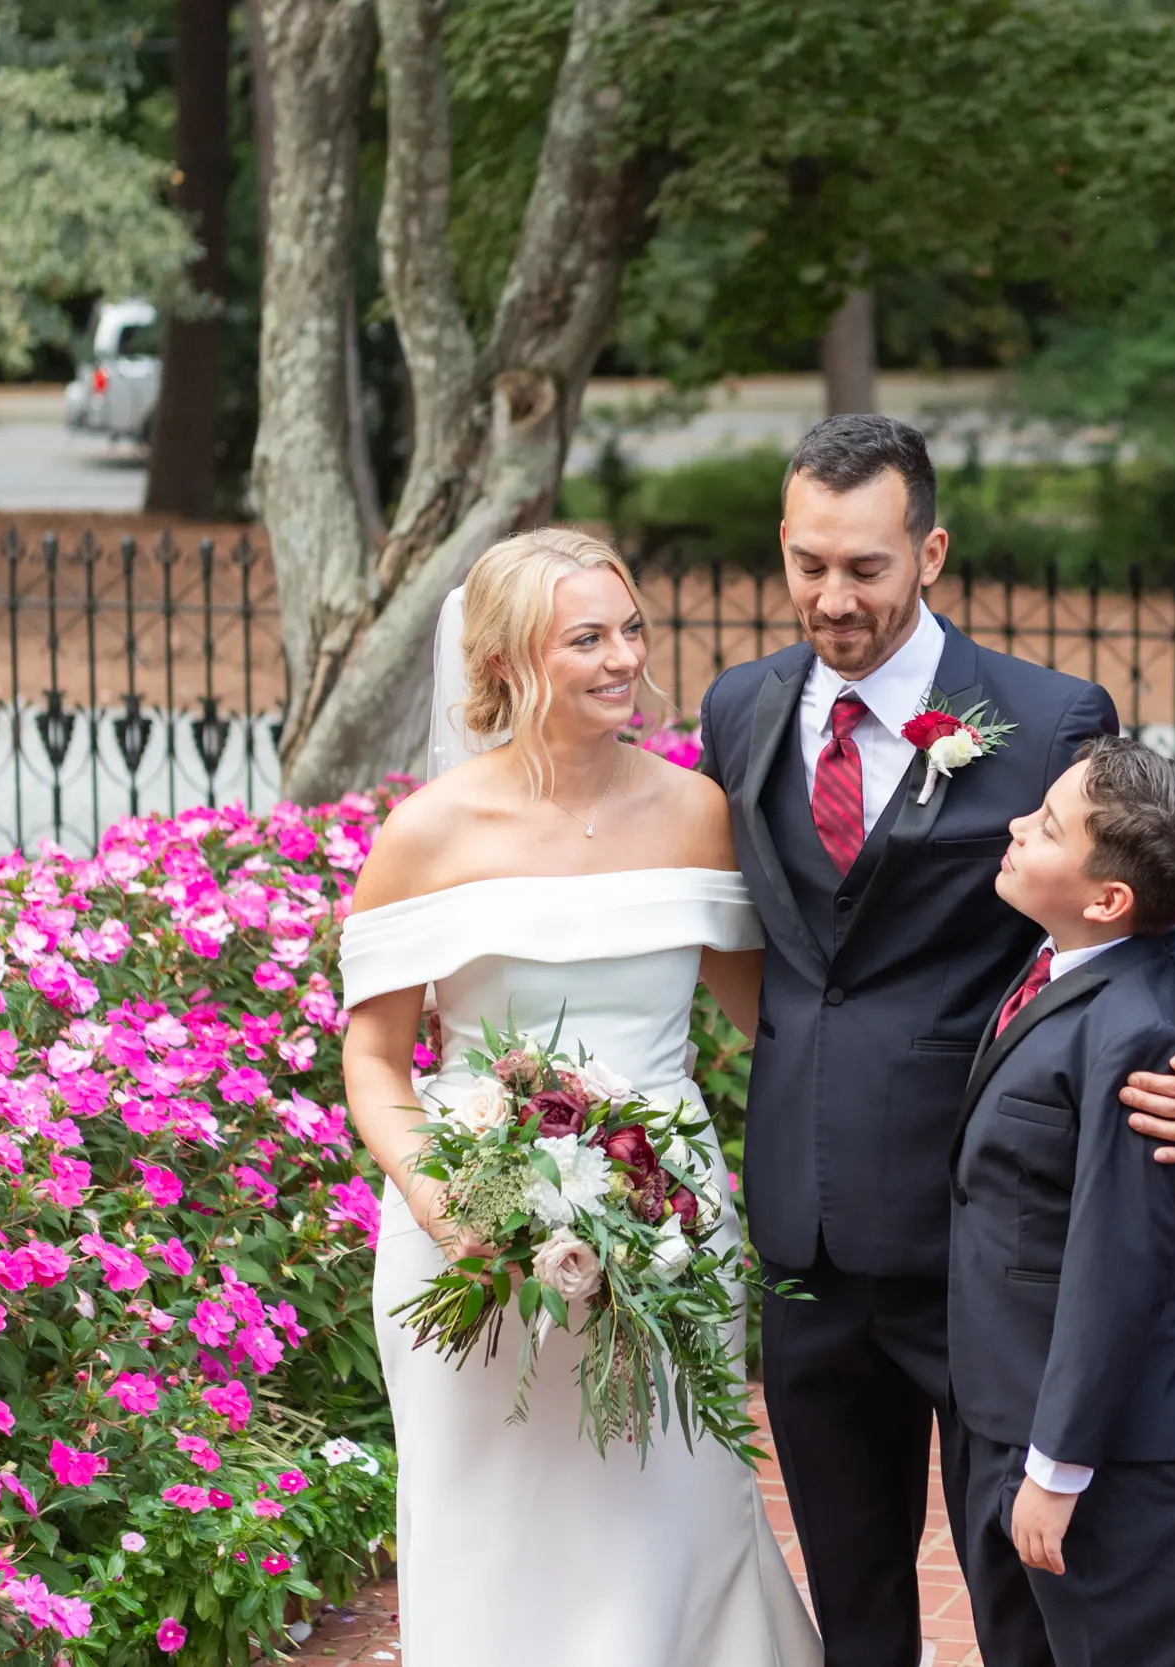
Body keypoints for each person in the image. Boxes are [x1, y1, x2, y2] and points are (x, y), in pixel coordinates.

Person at [696, 414, 1175, 1667]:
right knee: (850, 1593)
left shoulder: (1046, 716)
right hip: (802, 1227)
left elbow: (1155, 909)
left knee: (1019, 1597)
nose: (832, 598)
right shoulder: (738, 707)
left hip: (978, 1242)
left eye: (866, 566)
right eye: (807, 563)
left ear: (931, 550)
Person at [337, 528, 819, 1665]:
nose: (624, 659)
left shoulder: (697, 811)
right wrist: (443, 1201)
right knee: (494, 1533)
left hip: (670, 1224)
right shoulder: (427, 834)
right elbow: (376, 1057)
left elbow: (778, 1021)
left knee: (672, 1512)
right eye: (586, 638)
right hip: (472, 1230)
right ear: (505, 661)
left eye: (630, 629)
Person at [948, 738, 1175, 1667]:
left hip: (1114, 1449)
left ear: (1108, 899)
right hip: (1014, 1410)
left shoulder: (1144, 1036)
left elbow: (1117, 1259)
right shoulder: (1066, 956)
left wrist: (1057, 1466)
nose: (1015, 826)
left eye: (1046, 826)